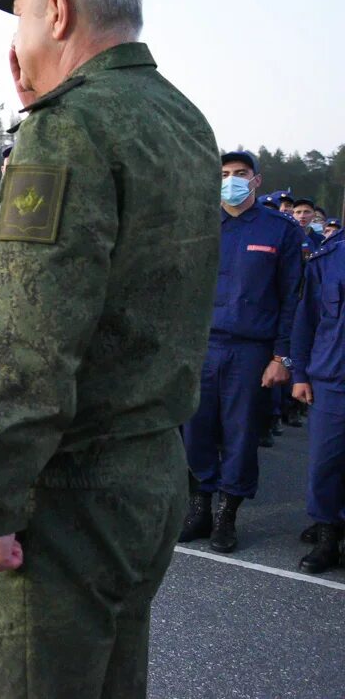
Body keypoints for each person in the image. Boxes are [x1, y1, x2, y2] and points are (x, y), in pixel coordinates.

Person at [0, 0, 221, 697]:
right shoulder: (183, 122)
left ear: (59, 12)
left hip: (69, 494)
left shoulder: (67, 131)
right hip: (151, 471)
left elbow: (22, 343)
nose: (18, 38)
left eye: (22, 15)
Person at [180, 151, 302, 550]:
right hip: (201, 347)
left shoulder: (279, 230)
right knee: (195, 429)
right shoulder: (199, 225)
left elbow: (292, 299)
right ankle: (199, 507)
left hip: (251, 351)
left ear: (256, 181)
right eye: (224, 174)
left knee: (241, 433)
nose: (231, 180)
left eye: (240, 174)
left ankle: (226, 515)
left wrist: (281, 356)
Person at [291, 236, 345, 573]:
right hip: (333, 379)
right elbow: (307, 317)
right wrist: (300, 373)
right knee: (325, 464)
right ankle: (327, 539)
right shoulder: (330, 256)